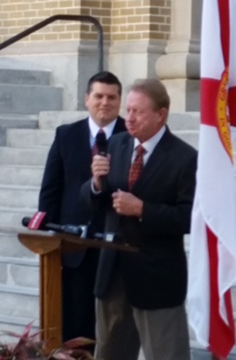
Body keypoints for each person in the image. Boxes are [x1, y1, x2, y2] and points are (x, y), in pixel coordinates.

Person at [81, 79, 197, 360]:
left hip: (156, 277)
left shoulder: (185, 158)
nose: (129, 118)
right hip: (113, 274)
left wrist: (143, 209)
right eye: (128, 110)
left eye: (138, 112)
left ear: (161, 114)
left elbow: (190, 218)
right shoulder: (117, 144)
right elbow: (91, 199)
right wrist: (95, 183)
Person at [38, 71, 126, 348]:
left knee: (111, 330)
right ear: (86, 98)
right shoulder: (66, 135)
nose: (105, 102)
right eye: (98, 96)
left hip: (114, 248)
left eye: (111, 97)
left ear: (119, 101)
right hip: (73, 247)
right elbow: (51, 190)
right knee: (73, 328)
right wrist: (46, 234)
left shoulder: (130, 135)